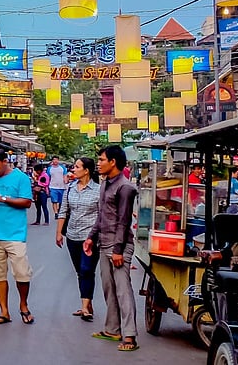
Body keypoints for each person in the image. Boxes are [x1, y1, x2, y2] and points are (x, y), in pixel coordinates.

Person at [85, 145, 139, 352]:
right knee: (109, 289)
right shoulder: (105, 183)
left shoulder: (125, 188)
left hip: (119, 245)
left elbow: (124, 221)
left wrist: (118, 250)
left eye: (101, 160)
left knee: (123, 291)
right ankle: (112, 329)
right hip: (103, 242)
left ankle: (130, 336)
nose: (97, 163)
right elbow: (102, 215)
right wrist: (91, 237)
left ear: (113, 162)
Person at [0, 147, 34, 325]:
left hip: (15, 235)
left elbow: (27, 202)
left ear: (5, 161)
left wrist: (1, 199)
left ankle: (23, 305)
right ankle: (4, 311)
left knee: (22, 273)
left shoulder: (21, 178)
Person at [56, 157, 101, 322]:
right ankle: (87, 303)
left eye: (76, 167)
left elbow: (102, 215)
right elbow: (63, 211)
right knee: (80, 272)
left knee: (87, 270)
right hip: (72, 236)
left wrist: (95, 235)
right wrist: (59, 232)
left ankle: (84, 308)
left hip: (90, 239)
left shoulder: (98, 190)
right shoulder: (70, 189)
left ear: (86, 170)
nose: (73, 169)